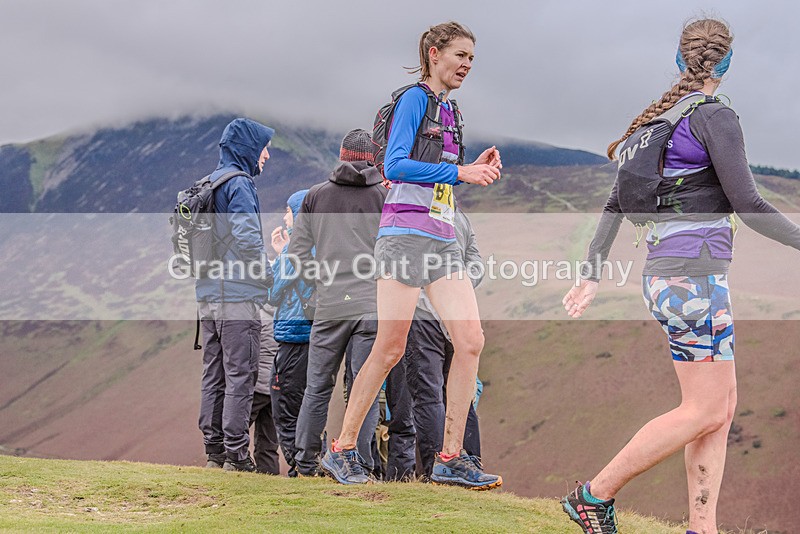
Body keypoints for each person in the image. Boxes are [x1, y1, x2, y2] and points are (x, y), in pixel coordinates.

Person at [560, 19, 800, 534]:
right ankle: (592, 495)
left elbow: (614, 203)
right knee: (704, 409)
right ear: (728, 62)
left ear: (679, 60)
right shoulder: (714, 117)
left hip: (672, 276)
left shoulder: (658, 122)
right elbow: (750, 204)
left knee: (720, 406)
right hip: (694, 280)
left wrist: (591, 273)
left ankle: (702, 526)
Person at [321, 21, 503, 489]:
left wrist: (471, 169)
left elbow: (441, 173)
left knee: (471, 342)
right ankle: (341, 449)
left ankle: (450, 457)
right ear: (434, 53)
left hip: (441, 238)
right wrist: (459, 169)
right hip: (403, 235)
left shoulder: (450, 110)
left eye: (472, 59)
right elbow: (395, 164)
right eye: (460, 56)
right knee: (390, 348)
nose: (466, 66)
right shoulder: (414, 100)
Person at [289, 128, 388, 477]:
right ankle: (359, 463)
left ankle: (303, 462)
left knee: (317, 385)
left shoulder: (316, 196)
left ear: (342, 156)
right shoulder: (384, 197)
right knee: (364, 387)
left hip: (331, 303)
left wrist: (320, 285)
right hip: (371, 304)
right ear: (371, 158)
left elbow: (297, 253)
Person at [196, 118, 274, 473]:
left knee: (214, 373)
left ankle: (214, 452)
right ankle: (238, 457)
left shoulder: (210, 183)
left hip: (208, 295)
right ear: (248, 149)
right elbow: (246, 238)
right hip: (237, 297)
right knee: (240, 373)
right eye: (263, 148)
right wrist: (268, 276)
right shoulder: (239, 184)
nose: (267, 155)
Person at [403, 207, 483, 479]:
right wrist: (455, 294)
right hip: (454, 315)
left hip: (421, 315)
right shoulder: (459, 215)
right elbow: (476, 263)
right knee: (460, 391)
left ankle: (432, 471)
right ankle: (470, 463)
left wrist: (432, 296)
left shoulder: (410, 211)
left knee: (427, 394)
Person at [267, 189, 313, 478]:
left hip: (294, 335)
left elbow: (271, 292)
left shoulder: (297, 247)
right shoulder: (322, 243)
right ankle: (309, 462)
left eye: (288, 210)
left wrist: (281, 252)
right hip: (316, 335)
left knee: (284, 405)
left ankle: (301, 467)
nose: (284, 216)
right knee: (310, 402)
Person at [249, 304, 280, 475]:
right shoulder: (285, 315)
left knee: (236, 432)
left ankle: (233, 468)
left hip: (255, 386)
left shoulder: (255, 315)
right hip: (276, 387)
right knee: (269, 442)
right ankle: (269, 476)